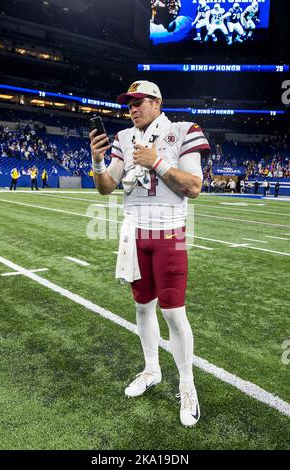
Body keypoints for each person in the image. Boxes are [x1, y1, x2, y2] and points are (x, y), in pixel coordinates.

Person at [90, 80, 210, 427]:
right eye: (128, 103)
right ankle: (152, 369)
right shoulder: (123, 139)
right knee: (142, 308)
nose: (132, 107)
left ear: (157, 102)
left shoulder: (182, 130)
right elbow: (105, 188)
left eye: (138, 101)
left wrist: (156, 162)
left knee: (173, 314)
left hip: (169, 236)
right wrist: (98, 162)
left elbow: (194, 187)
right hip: (133, 236)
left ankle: (187, 385)